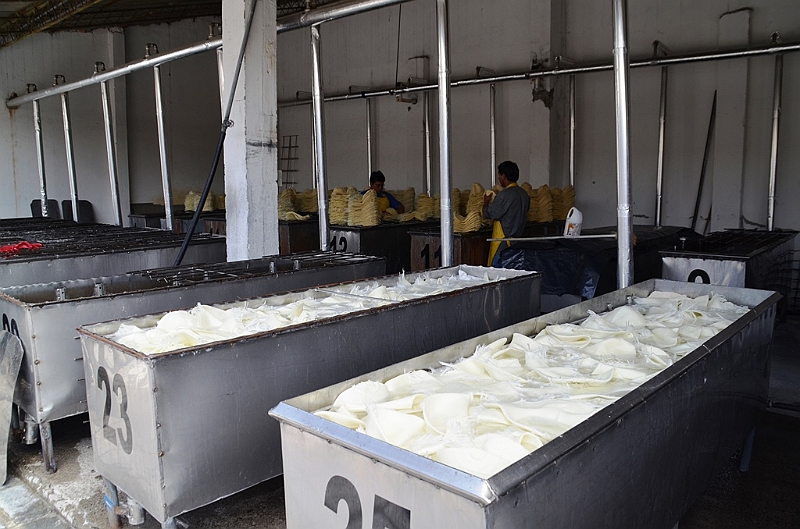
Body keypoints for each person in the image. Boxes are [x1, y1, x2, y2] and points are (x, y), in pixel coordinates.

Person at [482, 160, 529, 267]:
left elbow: (489, 214)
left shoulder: (505, 195)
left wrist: (485, 202)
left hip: (502, 245)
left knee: (497, 275)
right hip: (516, 244)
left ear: (504, 176)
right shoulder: (524, 194)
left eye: (499, 175)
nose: (499, 178)